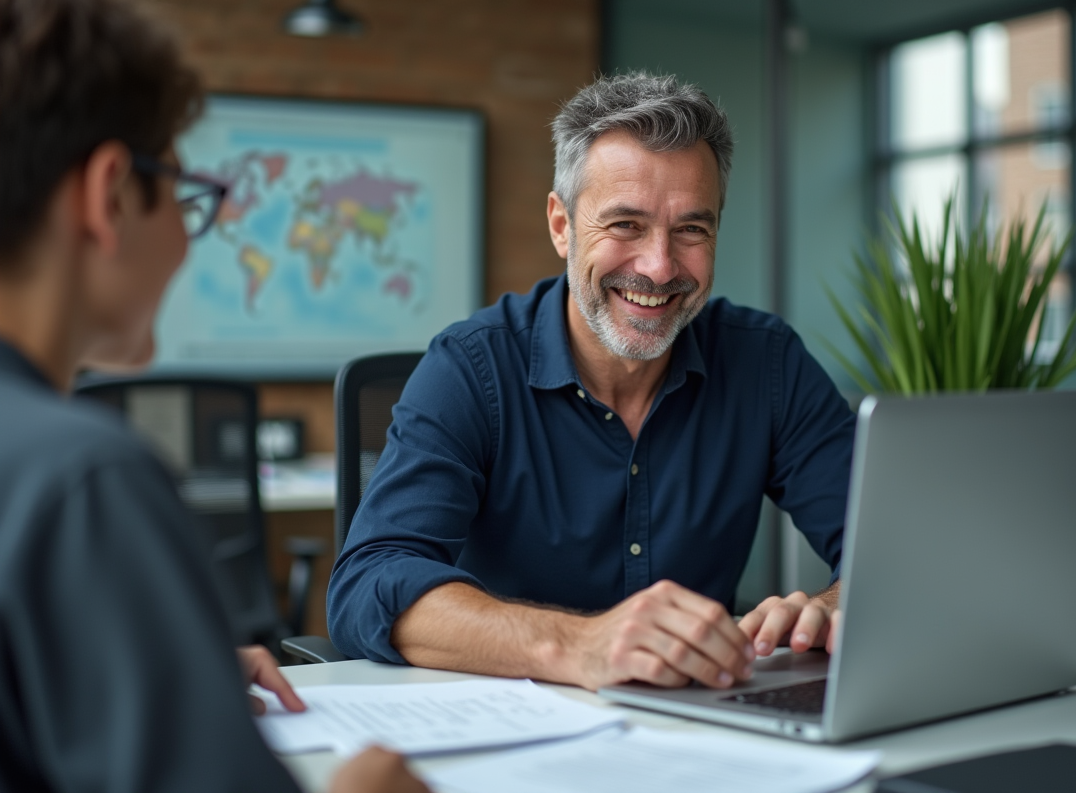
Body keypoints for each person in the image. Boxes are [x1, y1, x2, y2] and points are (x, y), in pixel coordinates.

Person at [0, 0, 429, 790]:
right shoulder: (84, 481)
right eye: (186, 196)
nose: (183, 243)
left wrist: (151, 664)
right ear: (111, 194)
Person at [328, 72, 856, 691]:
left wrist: (835, 606)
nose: (659, 267)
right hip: (504, 733)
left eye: (691, 229)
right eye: (625, 225)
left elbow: (891, 543)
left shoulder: (766, 363)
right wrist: (578, 646)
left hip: (700, 729)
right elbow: (368, 585)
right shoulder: (470, 368)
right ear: (562, 225)